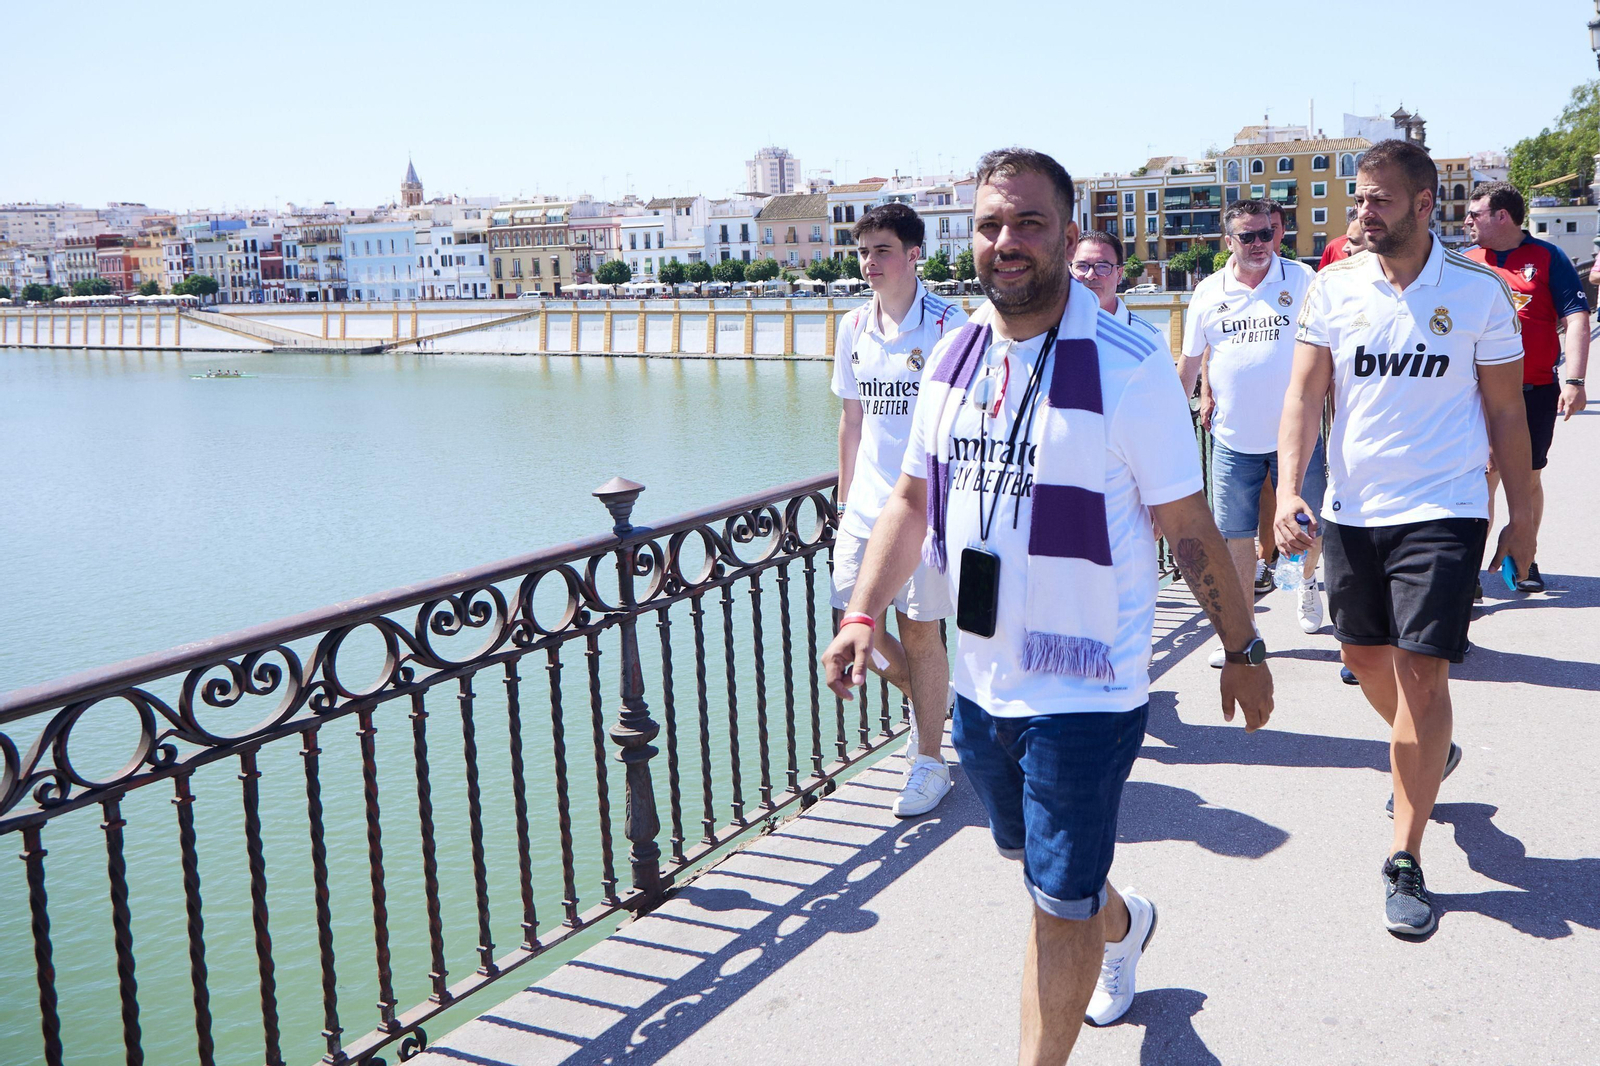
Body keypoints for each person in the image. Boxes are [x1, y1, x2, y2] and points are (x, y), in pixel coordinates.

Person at [823, 148, 1273, 1063]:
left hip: (1088, 684)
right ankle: (1129, 920)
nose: (1007, 242)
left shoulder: (1129, 360)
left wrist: (1242, 645)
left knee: (1052, 911)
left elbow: (1184, 522)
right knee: (1048, 880)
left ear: (1067, 236)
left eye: (1029, 223)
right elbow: (912, 501)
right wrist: (862, 614)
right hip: (985, 682)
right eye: (991, 224)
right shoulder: (953, 353)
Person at [1276, 139, 1535, 937]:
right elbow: (1302, 396)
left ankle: (1405, 857)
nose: (1363, 212)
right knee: (1363, 661)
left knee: (1424, 676)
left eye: (1379, 200)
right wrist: (1289, 489)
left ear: (1425, 204)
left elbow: (1502, 412)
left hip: (1445, 508)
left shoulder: (1479, 293)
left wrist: (1523, 512)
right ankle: (1426, 752)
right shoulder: (1334, 288)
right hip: (1354, 511)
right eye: (1360, 198)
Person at [831, 201, 967, 817]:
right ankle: (935, 710)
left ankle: (931, 761)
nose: (869, 262)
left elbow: (970, 425)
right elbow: (852, 418)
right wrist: (843, 499)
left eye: (882, 250)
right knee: (855, 627)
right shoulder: (853, 326)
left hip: (926, 509)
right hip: (865, 511)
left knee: (920, 632)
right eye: (863, 251)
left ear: (915, 255)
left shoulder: (949, 326)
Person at [1181, 199, 1326, 665]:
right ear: (1229, 242)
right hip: (1231, 440)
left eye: (1267, 233)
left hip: (1296, 439)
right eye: (1248, 236)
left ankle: (1304, 584)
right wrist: (1164, 424)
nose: (1260, 243)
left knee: (1307, 524)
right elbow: (1188, 366)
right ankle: (1244, 634)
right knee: (1234, 538)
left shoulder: (1304, 281)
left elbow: (1333, 351)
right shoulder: (1207, 292)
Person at [1462, 180, 1589, 593]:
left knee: (1528, 477)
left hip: (1533, 390)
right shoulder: (1465, 261)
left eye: (1475, 213)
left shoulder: (1548, 257)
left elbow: (1577, 317)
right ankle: (1468, 572)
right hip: (1476, 393)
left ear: (1502, 216)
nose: (1467, 220)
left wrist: (1574, 380)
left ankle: (1524, 557)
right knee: (1478, 480)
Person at [1069, 230, 1162, 341]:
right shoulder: (1049, 334)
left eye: (1102, 266)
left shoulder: (1149, 339)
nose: (1090, 275)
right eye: (1081, 266)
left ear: (1119, 275)